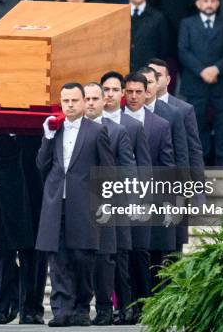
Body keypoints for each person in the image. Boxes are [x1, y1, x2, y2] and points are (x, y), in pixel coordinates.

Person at [36, 82, 114, 327]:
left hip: (84, 204)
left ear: (83, 102)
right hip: (55, 202)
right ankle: (61, 310)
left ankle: (81, 307)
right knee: (57, 258)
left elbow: (108, 170)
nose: (69, 105)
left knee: (82, 257)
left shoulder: (96, 130)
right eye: (65, 101)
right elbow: (41, 164)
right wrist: (47, 137)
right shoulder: (54, 128)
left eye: (74, 101)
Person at [100, 70, 152, 325]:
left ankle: (128, 307)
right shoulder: (91, 121)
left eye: (113, 90)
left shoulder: (132, 126)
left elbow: (142, 167)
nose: (109, 94)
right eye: (105, 90)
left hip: (124, 201)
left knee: (126, 257)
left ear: (121, 93)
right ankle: (105, 308)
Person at [123, 72, 174, 321]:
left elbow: (166, 166)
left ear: (147, 93)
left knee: (147, 255)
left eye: (137, 92)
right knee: (123, 255)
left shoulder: (160, 125)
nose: (133, 96)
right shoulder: (114, 121)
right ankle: (125, 306)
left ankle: (146, 306)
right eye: (129, 91)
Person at [83, 82, 135, 326]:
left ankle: (114, 308)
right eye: (88, 98)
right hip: (78, 204)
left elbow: (128, 171)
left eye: (96, 98)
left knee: (111, 260)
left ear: (104, 100)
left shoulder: (117, 131)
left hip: (109, 204)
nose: (91, 102)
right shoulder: (71, 128)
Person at [148, 58, 205, 252]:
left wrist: (197, 186)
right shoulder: (135, 108)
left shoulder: (183, 109)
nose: (152, 80)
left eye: (158, 76)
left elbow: (193, 150)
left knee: (174, 246)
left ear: (167, 79)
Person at [178, 0, 223, 166]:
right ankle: (199, 163)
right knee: (197, 123)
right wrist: (202, 71)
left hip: (220, 82)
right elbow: (183, 50)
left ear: (218, 3)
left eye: (212, 1)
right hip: (196, 82)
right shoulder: (187, 24)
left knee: (222, 124)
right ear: (198, 3)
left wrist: (216, 69)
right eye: (205, 1)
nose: (209, 4)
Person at [126, 0, 170, 71]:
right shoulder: (120, 14)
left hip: (147, 72)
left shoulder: (158, 17)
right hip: (123, 71)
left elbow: (163, 48)